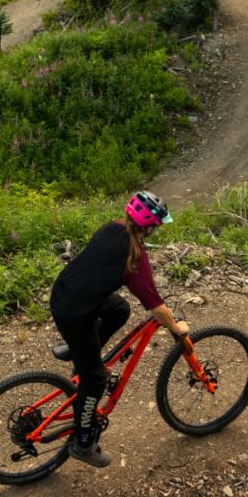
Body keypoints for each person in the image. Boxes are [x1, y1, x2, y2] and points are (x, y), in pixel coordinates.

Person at [49, 190, 188, 468]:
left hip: (64, 293)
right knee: (95, 381)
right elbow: (155, 306)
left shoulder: (112, 228)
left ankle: (81, 351)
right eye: (156, 226)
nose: (156, 230)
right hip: (76, 314)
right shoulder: (133, 259)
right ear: (148, 226)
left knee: (119, 309)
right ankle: (84, 442)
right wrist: (176, 326)